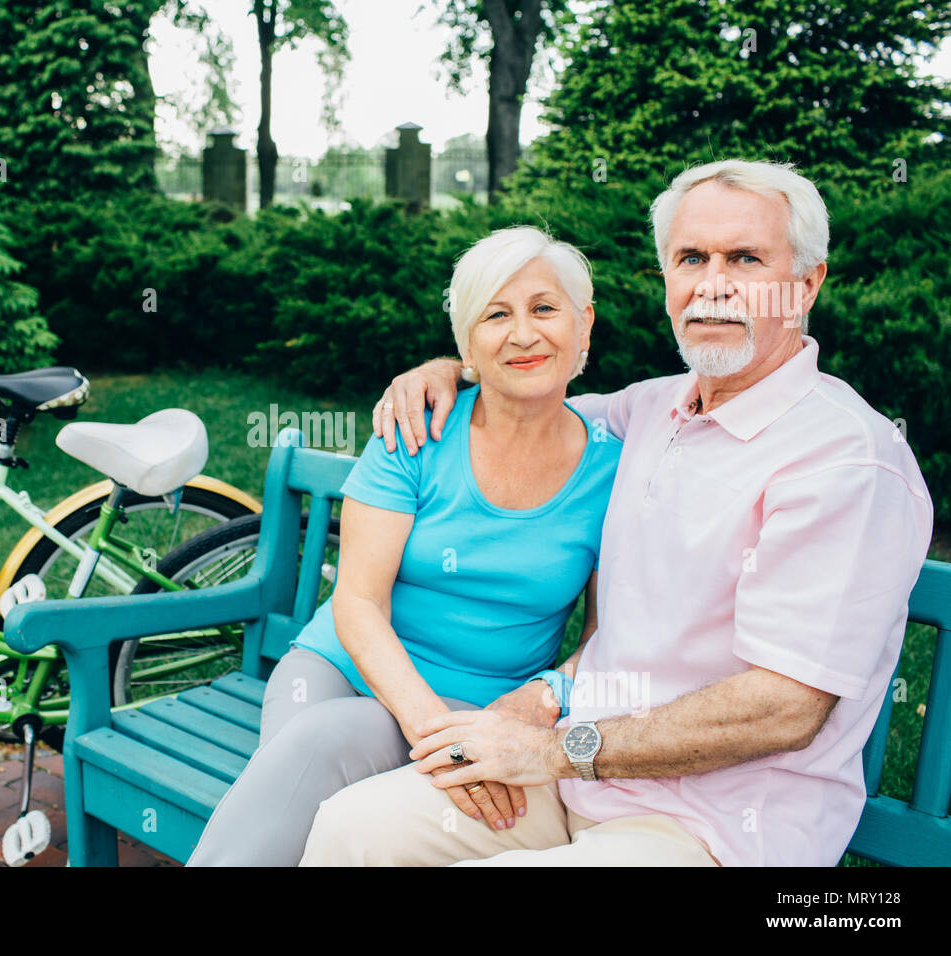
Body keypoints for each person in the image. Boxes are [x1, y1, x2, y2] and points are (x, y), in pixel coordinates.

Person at [299, 158, 934, 867]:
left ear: (807, 282)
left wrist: (556, 748)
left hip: (713, 825)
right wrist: (450, 369)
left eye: (745, 259)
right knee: (350, 830)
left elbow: (783, 707)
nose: (712, 284)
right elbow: (529, 392)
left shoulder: (845, 459)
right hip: (579, 782)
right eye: (691, 258)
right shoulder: (654, 407)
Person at [185, 226, 623, 865]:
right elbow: (357, 603)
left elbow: (606, 635)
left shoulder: (615, 472)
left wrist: (545, 695)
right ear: (466, 344)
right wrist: (434, 735)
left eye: (544, 308)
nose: (523, 334)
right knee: (314, 765)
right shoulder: (416, 433)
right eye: (495, 315)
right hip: (340, 671)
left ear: (584, 323)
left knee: (332, 807)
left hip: (480, 705)